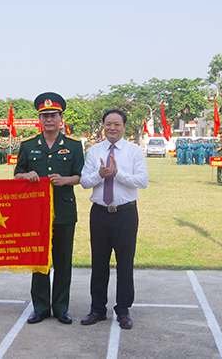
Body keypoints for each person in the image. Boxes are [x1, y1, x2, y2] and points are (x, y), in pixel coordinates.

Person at [14, 92, 84, 325]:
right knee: (39, 260)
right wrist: (27, 175)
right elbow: (17, 175)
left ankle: (61, 307)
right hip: (36, 212)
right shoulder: (28, 145)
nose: (48, 120)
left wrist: (66, 180)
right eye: (44, 116)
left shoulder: (74, 146)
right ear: (39, 119)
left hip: (63, 211)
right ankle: (41, 307)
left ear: (61, 118)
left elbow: (81, 176)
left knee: (63, 261)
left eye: (53, 115)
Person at [79, 109, 148, 330]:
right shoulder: (93, 151)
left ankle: (123, 309)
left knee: (125, 263)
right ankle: (97, 309)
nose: (112, 128)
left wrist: (118, 174)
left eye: (117, 124)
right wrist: (100, 175)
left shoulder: (134, 151)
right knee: (99, 262)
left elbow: (143, 181)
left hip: (126, 214)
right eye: (108, 123)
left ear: (124, 127)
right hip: (99, 213)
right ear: (103, 125)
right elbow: (84, 181)